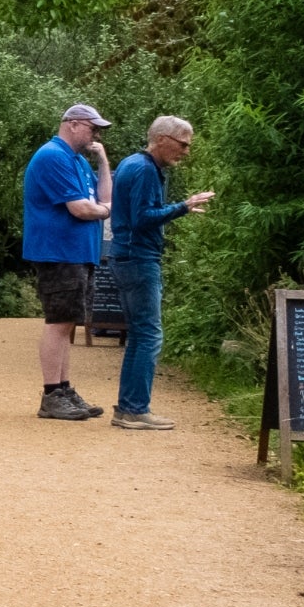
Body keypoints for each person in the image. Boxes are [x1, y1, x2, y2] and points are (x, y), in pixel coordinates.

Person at [107, 115, 214, 430]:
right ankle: (135, 410)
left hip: (127, 257)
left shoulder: (133, 164)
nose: (186, 151)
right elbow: (142, 218)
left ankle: (128, 408)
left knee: (140, 335)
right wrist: (183, 206)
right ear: (162, 138)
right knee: (150, 335)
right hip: (139, 259)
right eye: (183, 144)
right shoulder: (143, 169)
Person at [21, 105, 114, 420]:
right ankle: (51, 395)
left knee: (68, 323)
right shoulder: (53, 156)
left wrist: (102, 160)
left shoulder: (77, 161)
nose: (96, 135)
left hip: (77, 252)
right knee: (58, 322)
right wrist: (104, 210)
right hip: (58, 251)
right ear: (73, 125)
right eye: (93, 128)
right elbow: (82, 209)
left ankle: (63, 389)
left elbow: (103, 197)